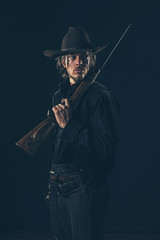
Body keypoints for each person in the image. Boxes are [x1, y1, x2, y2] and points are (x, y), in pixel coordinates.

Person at [44, 26, 119, 240]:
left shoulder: (101, 97)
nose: (79, 62)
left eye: (84, 56)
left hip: (83, 190)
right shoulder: (58, 95)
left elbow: (106, 149)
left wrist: (70, 126)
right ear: (63, 62)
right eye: (72, 57)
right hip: (56, 190)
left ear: (90, 60)